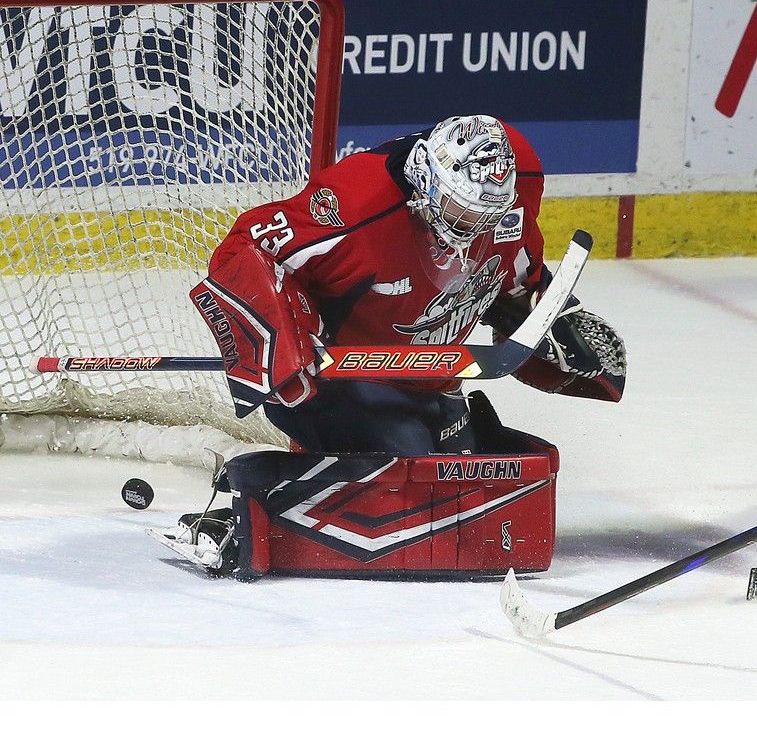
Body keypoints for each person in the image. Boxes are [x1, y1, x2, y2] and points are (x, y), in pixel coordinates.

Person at [164, 115, 626, 574]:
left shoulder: (516, 173)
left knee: (462, 474)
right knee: (414, 476)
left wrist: (545, 313)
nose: (471, 229)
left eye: (486, 217)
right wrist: (281, 343)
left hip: (430, 380)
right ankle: (242, 513)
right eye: (462, 211)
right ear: (426, 178)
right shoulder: (354, 203)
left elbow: (511, 269)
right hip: (337, 382)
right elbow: (243, 251)